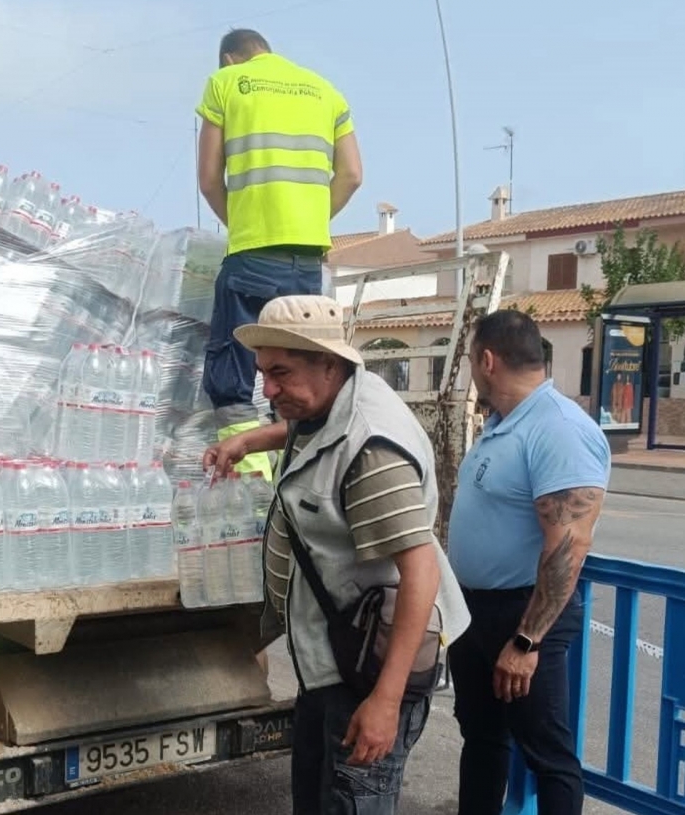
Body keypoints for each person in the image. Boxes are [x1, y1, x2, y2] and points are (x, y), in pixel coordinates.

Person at [205, 294, 469, 814]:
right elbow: (308, 428)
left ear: (330, 362)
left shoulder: (373, 452)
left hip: (369, 672)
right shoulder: (328, 399)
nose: (269, 389)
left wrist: (385, 703)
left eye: (280, 373)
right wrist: (251, 441)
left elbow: (419, 570)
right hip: (333, 661)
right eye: (262, 373)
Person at [446, 310, 611, 815]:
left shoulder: (557, 429)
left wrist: (526, 640)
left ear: (487, 361)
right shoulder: (503, 424)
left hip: (523, 614)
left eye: (472, 361)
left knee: (547, 754)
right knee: (482, 740)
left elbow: (569, 546)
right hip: (476, 612)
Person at [195, 28, 363, 479]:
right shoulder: (325, 90)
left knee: (232, 379)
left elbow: (209, 179)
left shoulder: (226, 83)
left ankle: (253, 481)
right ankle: (305, 474)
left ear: (230, 59)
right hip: (308, 262)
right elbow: (352, 174)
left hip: (252, 255)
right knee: (298, 374)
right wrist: (309, 221)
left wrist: (245, 222)